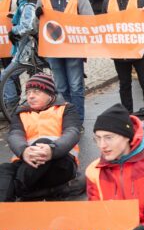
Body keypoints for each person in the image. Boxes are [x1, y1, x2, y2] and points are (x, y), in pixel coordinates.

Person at [0, 73, 84, 201]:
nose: (30, 96)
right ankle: (4, 212)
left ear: (50, 94)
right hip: (26, 163)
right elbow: (14, 134)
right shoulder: (21, 112)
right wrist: (24, 151)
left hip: (60, 163)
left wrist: (52, 150)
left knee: (44, 142)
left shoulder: (66, 109)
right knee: (4, 169)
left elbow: (72, 132)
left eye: (36, 92)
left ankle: (20, 188)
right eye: (28, 93)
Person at [41, 0, 93, 125]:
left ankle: (77, 121)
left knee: (76, 86)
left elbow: (89, 20)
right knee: (61, 87)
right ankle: (66, 119)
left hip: (73, 47)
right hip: (53, 48)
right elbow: (38, 26)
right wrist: (38, 16)